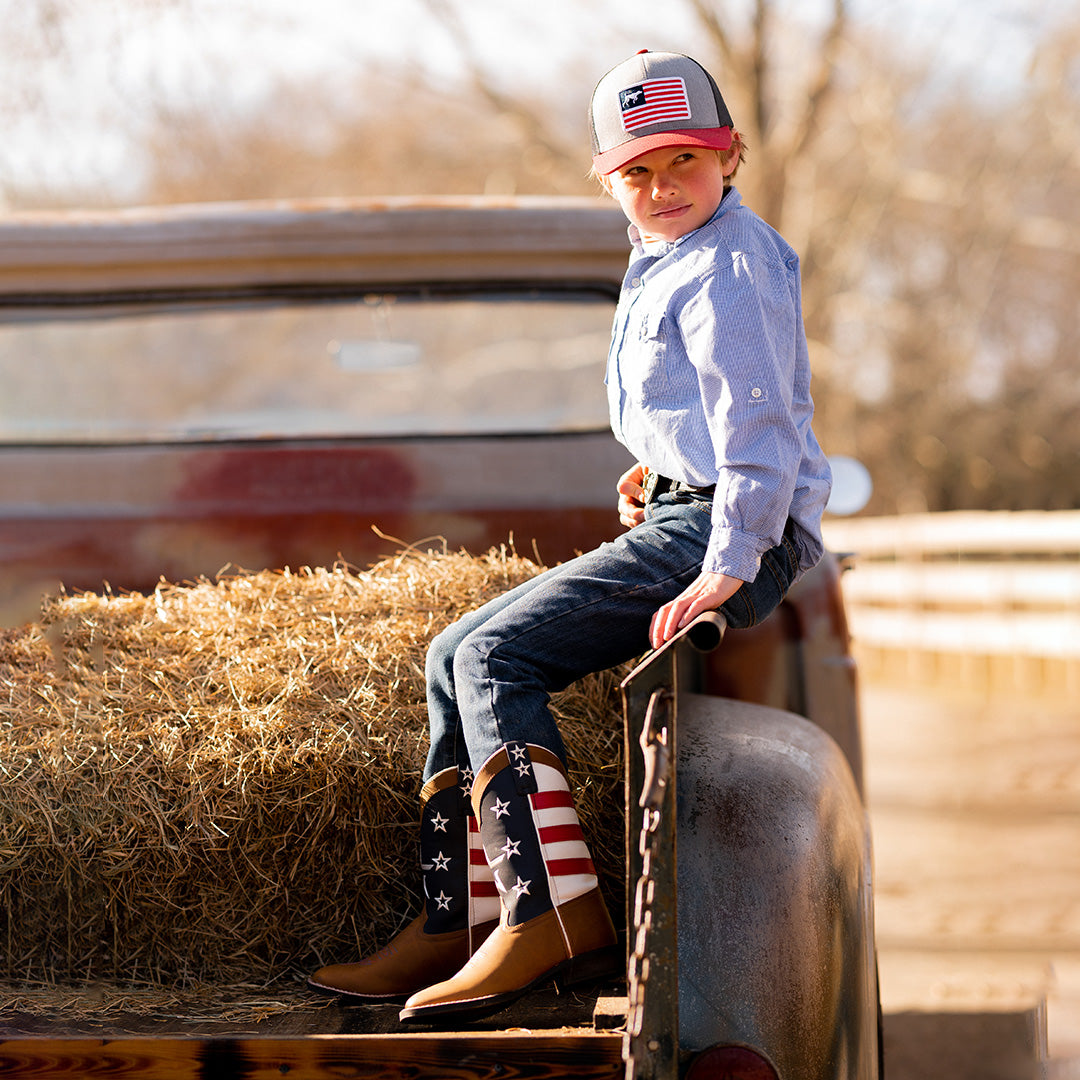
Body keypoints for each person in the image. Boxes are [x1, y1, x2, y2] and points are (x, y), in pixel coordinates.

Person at [308, 49, 832, 1025]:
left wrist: (729, 562)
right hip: (692, 507)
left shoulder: (728, 263)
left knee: (501, 656)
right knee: (449, 653)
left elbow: (761, 429)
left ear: (730, 157)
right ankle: (457, 913)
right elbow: (702, 411)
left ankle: (550, 912)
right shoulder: (670, 255)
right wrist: (660, 463)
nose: (662, 186)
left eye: (684, 160)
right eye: (636, 171)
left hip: (731, 531)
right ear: (610, 181)